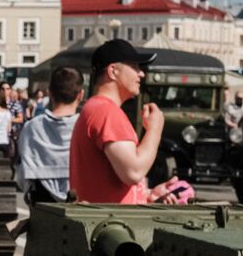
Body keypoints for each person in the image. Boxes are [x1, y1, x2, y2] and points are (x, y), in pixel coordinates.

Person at [69, 39, 180, 205]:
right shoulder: (106, 111)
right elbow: (133, 172)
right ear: (113, 71)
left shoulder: (97, 108)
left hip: (108, 221)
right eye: (134, 66)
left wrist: (148, 194)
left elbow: (108, 181)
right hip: (112, 225)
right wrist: (155, 130)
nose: (141, 73)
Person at [15, 66, 83, 204]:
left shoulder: (31, 128)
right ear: (80, 95)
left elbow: (23, 176)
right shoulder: (86, 127)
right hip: (81, 204)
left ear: (50, 93)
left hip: (41, 205)